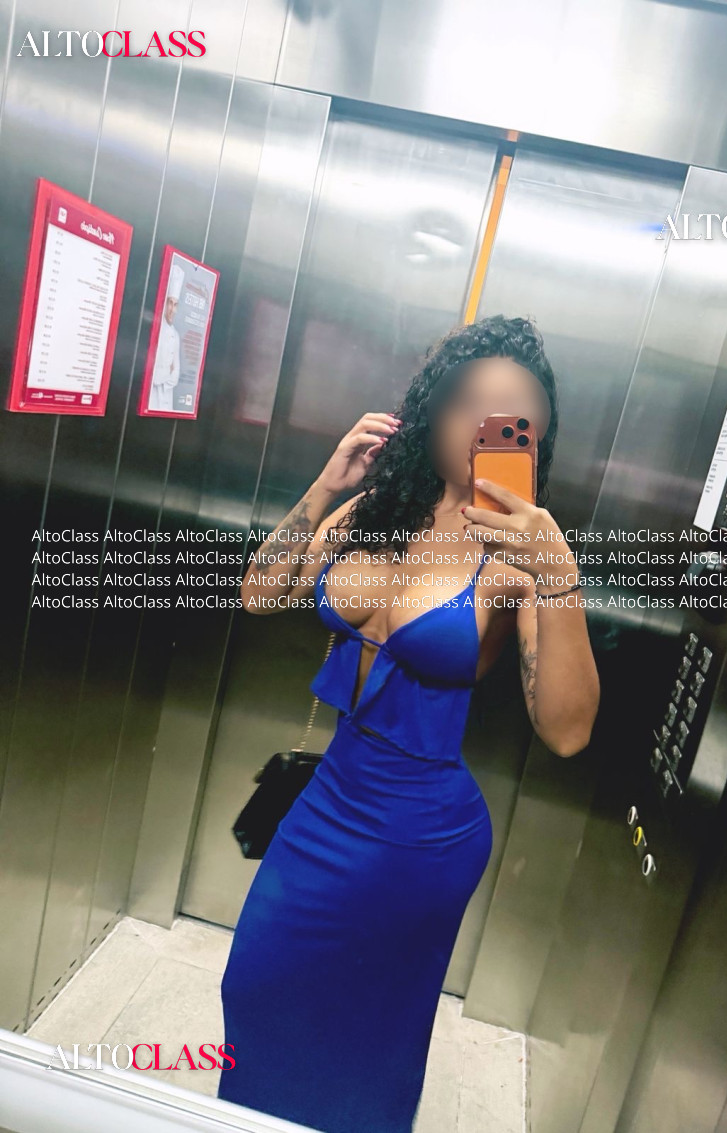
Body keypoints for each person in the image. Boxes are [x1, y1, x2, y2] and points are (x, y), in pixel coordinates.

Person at [218, 314, 600, 1132]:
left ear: (533, 436)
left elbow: (567, 731)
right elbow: (260, 593)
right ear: (432, 409)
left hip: (421, 836)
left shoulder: (520, 557)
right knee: (253, 988)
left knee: (364, 1043)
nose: (481, 424)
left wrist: (558, 570)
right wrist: (326, 484)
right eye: (466, 401)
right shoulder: (374, 510)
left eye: (510, 414)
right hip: (327, 804)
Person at [148, 262, 183, 411]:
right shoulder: (155, 329)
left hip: (167, 393)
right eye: (170, 303)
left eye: (175, 304)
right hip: (153, 392)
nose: (172, 309)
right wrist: (160, 377)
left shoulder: (175, 335)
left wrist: (167, 379)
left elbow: (176, 368)